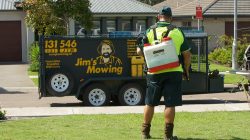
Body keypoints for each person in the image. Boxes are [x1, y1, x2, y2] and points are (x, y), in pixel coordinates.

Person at [137, 6, 191, 140]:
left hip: (154, 71)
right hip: (173, 71)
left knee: (150, 103)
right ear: (171, 18)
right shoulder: (177, 32)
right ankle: (168, 136)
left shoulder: (149, 31)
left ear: (158, 17)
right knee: (170, 103)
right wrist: (186, 70)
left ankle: (145, 133)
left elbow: (139, 51)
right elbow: (187, 54)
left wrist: (149, 58)